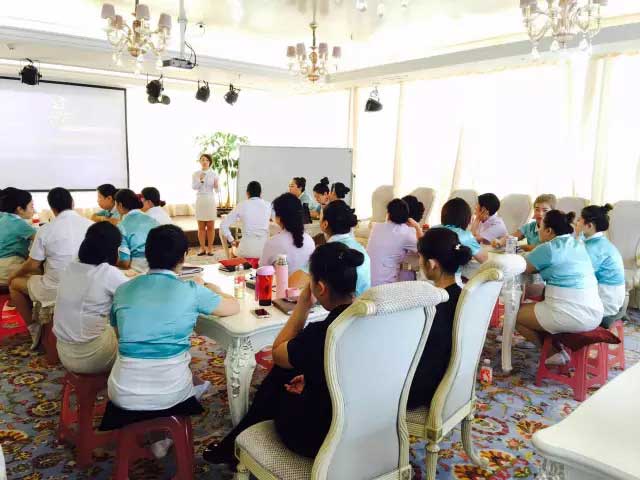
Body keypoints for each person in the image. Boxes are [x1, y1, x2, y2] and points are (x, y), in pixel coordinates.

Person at [203, 242, 364, 465]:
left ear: (320, 287)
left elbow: (278, 353)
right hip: (366, 424)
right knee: (291, 370)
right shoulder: (373, 320)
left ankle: (237, 443)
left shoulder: (322, 333)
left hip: (320, 437)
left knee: (281, 374)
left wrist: (302, 306)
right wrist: (314, 381)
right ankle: (234, 443)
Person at [100, 225, 239, 457]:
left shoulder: (123, 290)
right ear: (184, 256)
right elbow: (232, 307)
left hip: (122, 391)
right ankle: (165, 434)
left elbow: (120, 336)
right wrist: (212, 288)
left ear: (147, 253)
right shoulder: (191, 290)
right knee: (181, 368)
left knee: (168, 362)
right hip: (170, 391)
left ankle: (158, 435)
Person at [516, 210, 603, 365]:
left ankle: (552, 353)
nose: (539, 230)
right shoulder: (577, 244)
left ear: (549, 230)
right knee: (535, 302)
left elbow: (524, 268)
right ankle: (557, 348)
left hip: (570, 313)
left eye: (541, 227)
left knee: (514, 315)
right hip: (595, 312)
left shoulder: (549, 248)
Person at [9, 188, 92, 346]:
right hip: (88, 285)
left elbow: (33, 264)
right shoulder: (91, 226)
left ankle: (34, 328)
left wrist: (14, 274)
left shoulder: (46, 229)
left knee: (15, 284)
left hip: (55, 289)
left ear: (52, 208)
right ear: (72, 203)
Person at [53, 222, 129, 374]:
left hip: (64, 352)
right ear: (113, 249)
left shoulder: (70, 267)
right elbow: (136, 295)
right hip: (94, 357)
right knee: (132, 320)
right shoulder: (107, 272)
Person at [408, 227, 471, 408]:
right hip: (453, 382)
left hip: (424, 390)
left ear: (432, 264)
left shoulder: (433, 306)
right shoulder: (464, 295)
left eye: (420, 257)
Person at [575, 204, 626, 317]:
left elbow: (578, 274)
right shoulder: (595, 241)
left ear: (589, 225)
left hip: (606, 302)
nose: (576, 222)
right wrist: (578, 235)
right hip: (603, 293)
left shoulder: (596, 248)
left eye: (579, 220)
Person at [320, 200, 371, 296]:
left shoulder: (327, 251)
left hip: (342, 303)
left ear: (325, 224)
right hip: (364, 301)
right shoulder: (360, 247)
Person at [367, 198, 422, 286]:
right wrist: (417, 227)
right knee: (408, 270)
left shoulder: (376, 227)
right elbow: (425, 248)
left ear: (388, 214)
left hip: (366, 283)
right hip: (383, 286)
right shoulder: (406, 233)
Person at [260, 193, 315, 275]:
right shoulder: (310, 241)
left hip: (280, 283)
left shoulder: (272, 243)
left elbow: (262, 272)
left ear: (278, 218)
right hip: (306, 283)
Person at [220, 181, 271, 259]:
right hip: (264, 251)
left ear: (247, 193)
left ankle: (233, 265)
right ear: (261, 193)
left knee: (232, 250)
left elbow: (223, 225)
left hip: (246, 250)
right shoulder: (268, 205)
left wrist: (232, 241)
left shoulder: (242, 205)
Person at [115, 189, 159, 273]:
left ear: (120, 205)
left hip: (138, 269)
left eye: (115, 204)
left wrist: (111, 262)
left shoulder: (122, 226)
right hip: (159, 265)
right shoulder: (153, 220)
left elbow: (125, 262)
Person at [0, 188, 36, 287]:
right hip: (7, 268)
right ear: (20, 209)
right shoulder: (18, 223)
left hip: (3, 265)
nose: (34, 210)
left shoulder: (4, 218)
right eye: (31, 206)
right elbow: (41, 239)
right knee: (40, 273)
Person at [440, 197, 488, 264]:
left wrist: (477, 219)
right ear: (466, 217)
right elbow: (484, 260)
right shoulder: (465, 236)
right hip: (452, 270)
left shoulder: (433, 230)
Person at [192, 154, 220, 256]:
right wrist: (201, 180)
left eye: (207, 160)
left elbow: (218, 190)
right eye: (202, 160)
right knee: (201, 227)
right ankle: (202, 248)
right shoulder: (196, 174)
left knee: (211, 226)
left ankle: (210, 248)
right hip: (200, 200)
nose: (204, 162)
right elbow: (194, 187)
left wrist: (216, 186)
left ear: (210, 162)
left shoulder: (214, 174)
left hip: (210, 200)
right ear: (200, 161)